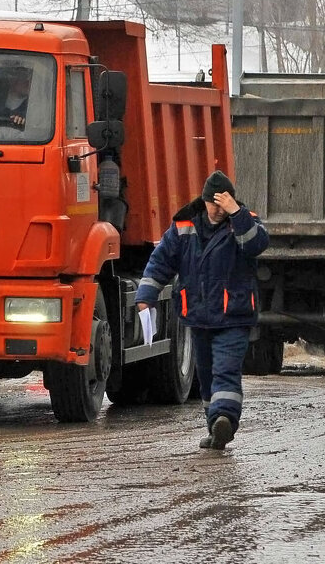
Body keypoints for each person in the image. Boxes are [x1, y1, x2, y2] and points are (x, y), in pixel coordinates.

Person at [134, 170, 269, 450]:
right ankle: (215, 427)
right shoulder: (184, 226)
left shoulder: (243, 223)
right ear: (205, 201)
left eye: (224, 204)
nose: (219, 210)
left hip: (234, 316)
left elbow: (256, 245)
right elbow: (161, 262)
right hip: (198, 317)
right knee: (205, 376)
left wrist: (237, 212)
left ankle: (225, 419)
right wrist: (146, 295)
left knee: (225, 370)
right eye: (215, 204)